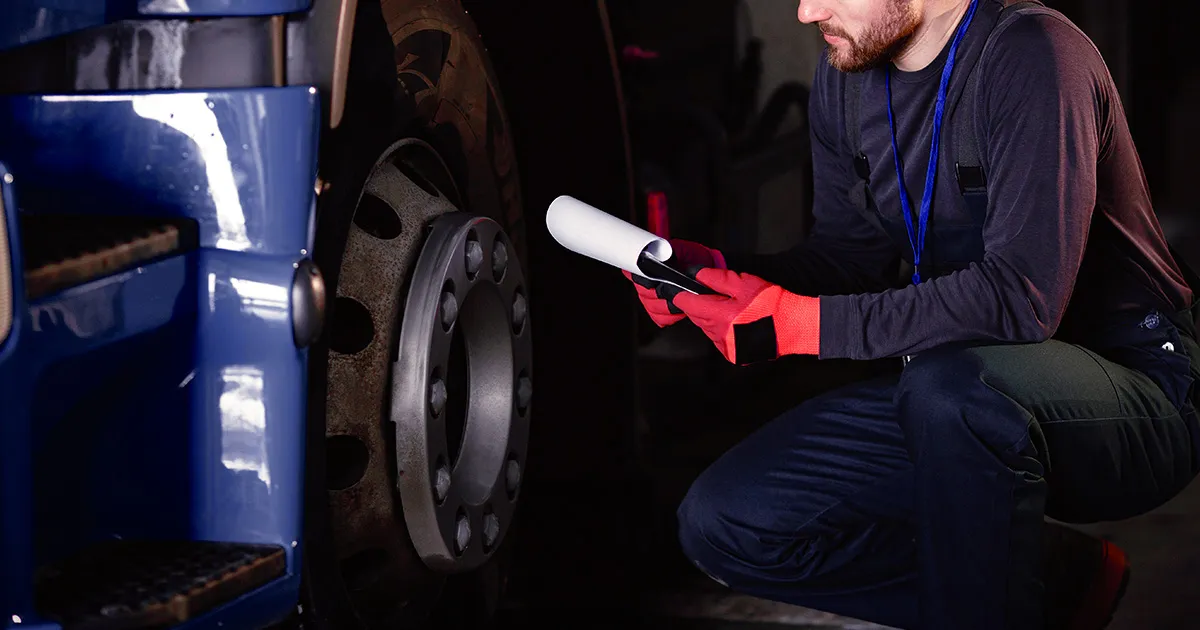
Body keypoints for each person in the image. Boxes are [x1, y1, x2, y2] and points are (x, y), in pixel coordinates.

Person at [624, 0, 1200, 628]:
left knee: (951, 389)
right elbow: (848, 260)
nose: (805, 11)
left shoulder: (1035, 53)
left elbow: (1022, 297)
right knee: (727, 521)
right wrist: (719, 275)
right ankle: (1056, 578)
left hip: (1136, 387)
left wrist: (799, 326)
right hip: (957, 393)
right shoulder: (845, 75)